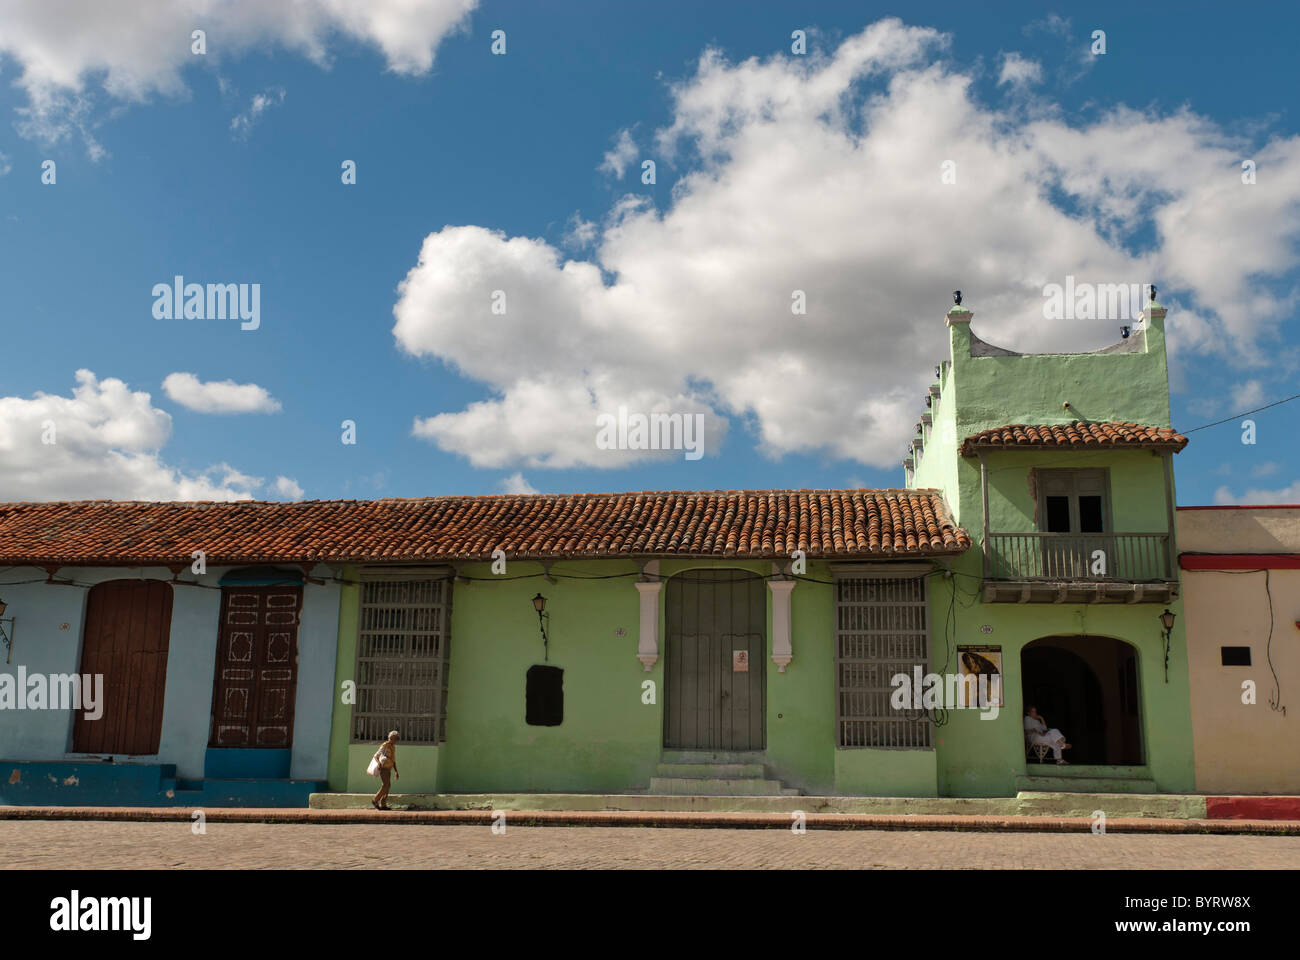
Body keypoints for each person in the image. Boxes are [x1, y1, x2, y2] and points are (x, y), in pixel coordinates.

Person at [371, 730, 400, 810]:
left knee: (388, 786)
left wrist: (396, 771)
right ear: (391, 738)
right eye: (395, 738)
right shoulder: (385, 745)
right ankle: (375, 800)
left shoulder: (393, 747)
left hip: (389, 768)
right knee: (385, 785)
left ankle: (383, 804)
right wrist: (379, 763)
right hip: (383, 768)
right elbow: (376, 756)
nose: (396, 740)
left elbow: (393, 760)